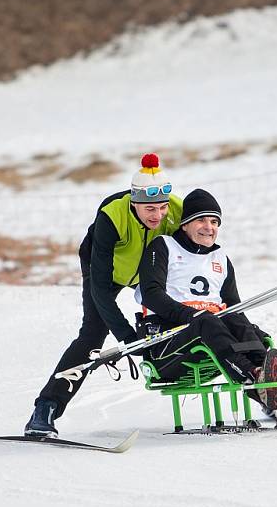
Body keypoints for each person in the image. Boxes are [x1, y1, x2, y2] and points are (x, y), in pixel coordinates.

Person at [24, 153, 183, 437]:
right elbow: (99, 287)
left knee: (184, 319)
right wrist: (127, 337)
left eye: (162, 208)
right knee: (92, 336)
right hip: (105, 273)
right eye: (149, 210)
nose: (158, 215)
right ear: (135, 203)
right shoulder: (112, 214)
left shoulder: (176, 210)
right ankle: (45, 408)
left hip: (148, 272)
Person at [135, 188, 277, 428]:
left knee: (241, 322)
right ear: (185, 224)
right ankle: (254, 377)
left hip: (208, 333)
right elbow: (151, 295)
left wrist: (253, 334)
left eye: (214, 221)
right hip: (167, 344)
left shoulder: (220, 258)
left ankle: (273, 387)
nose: (209, 227)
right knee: (209, 320)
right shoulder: (164, 246)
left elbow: (234, 306)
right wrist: (192, 315)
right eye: (201, 220)